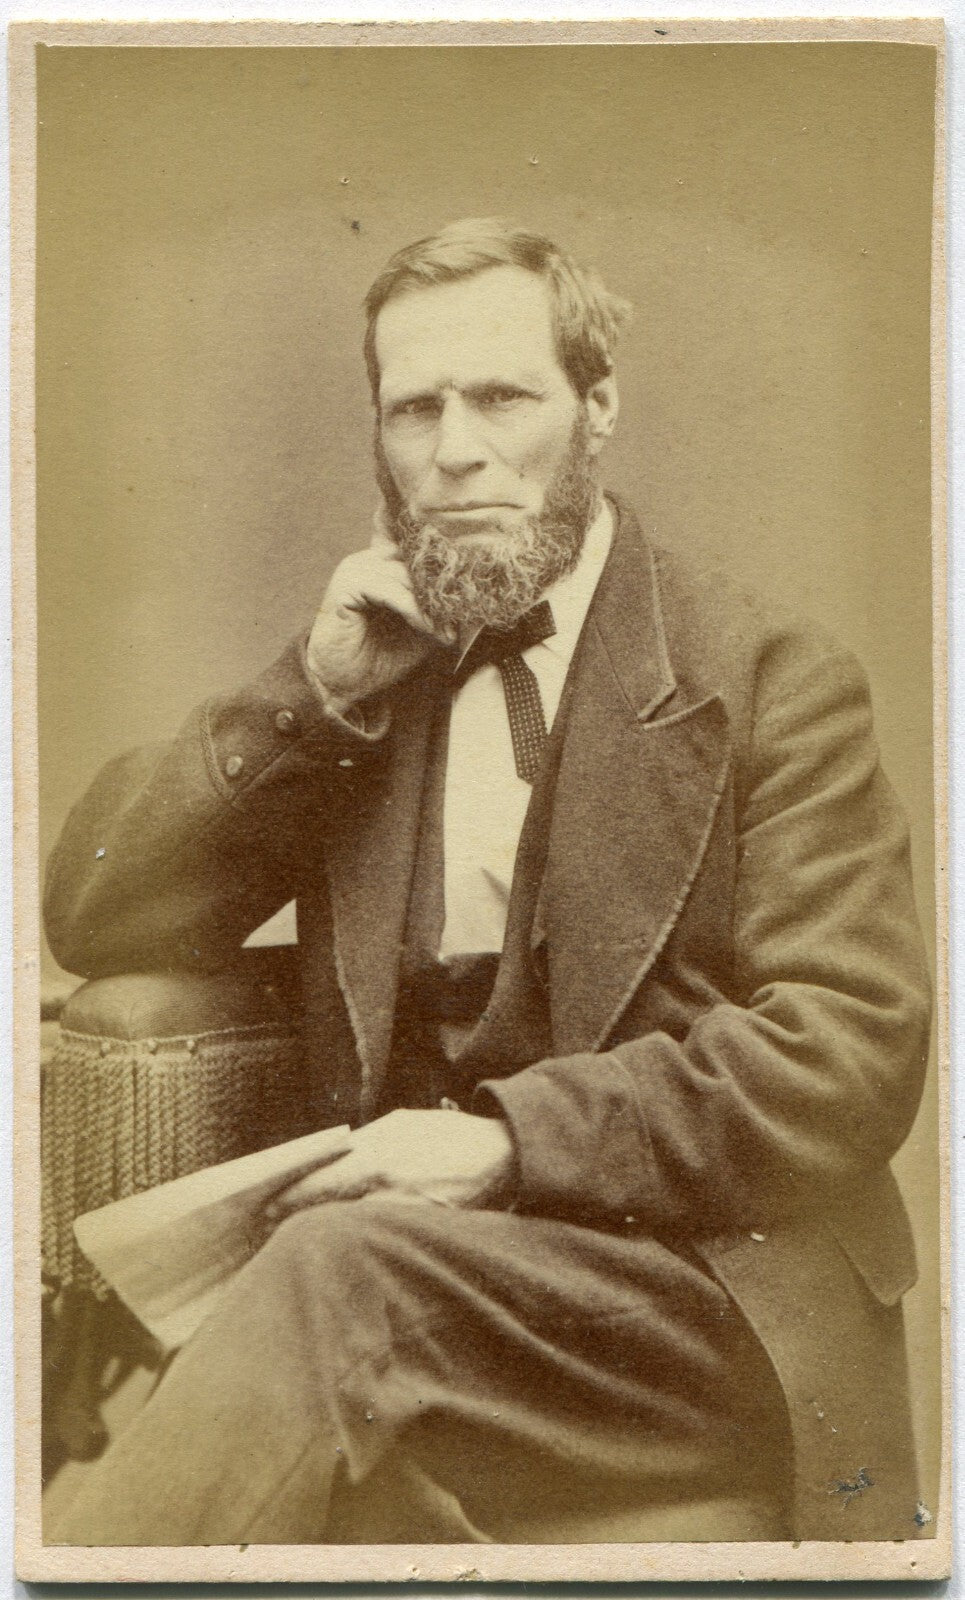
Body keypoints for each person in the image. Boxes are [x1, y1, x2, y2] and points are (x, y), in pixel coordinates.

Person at [45, 218, 931, 1547]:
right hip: (430, 1284)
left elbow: (848, 1055)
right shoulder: (370, 673)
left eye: (502, 397)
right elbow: (99, 916)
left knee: (341, 1279)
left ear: (596, 409)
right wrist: (314, 692)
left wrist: (510, 1140)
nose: (453, 450)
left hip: (696, 1295)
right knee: (334, 1280)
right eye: (414, 409)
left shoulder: (766, 677)